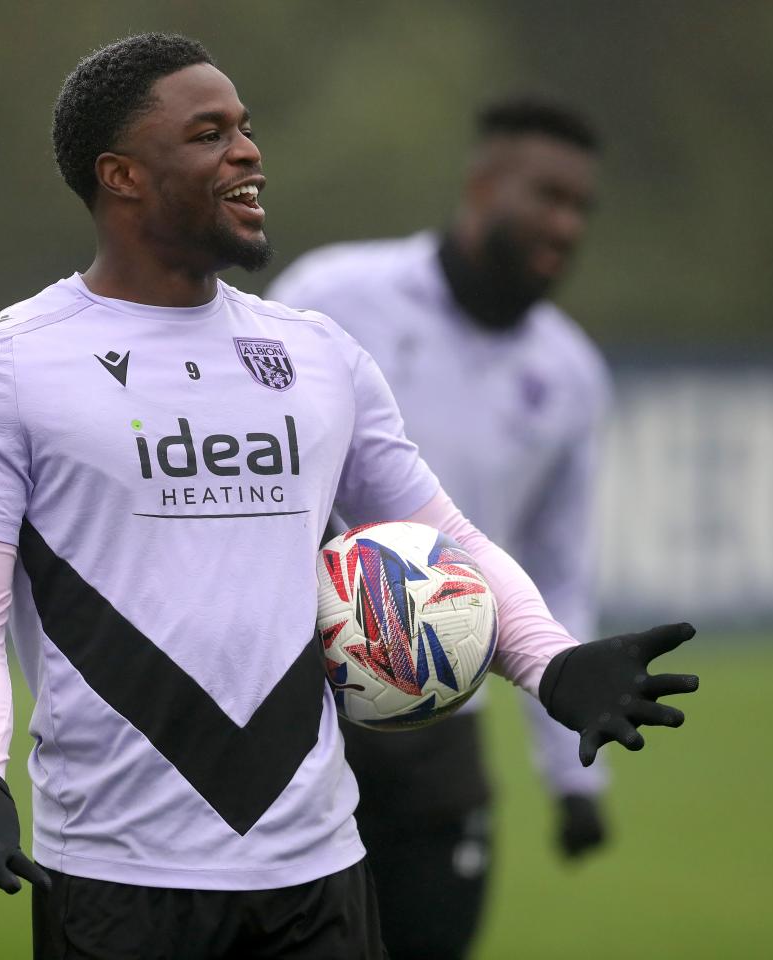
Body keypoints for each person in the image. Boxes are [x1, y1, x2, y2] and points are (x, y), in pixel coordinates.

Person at [0, 34, 698, 960]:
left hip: (319, 876)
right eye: (209, 134)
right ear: (120, 175)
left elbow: (440, 534)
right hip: (119, 882)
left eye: (245, 127)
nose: (248, 152)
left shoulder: (317, 354)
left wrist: (549, 663)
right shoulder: (2, 369)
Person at [267, 97, 612, 959]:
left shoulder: (570, 375)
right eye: (547, 196)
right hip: (300, 713)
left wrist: (574, 775)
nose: (565, 225)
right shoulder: (331, 296)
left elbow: (557, 568)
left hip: (441, 724)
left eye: (580, 208)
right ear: (483, 183)